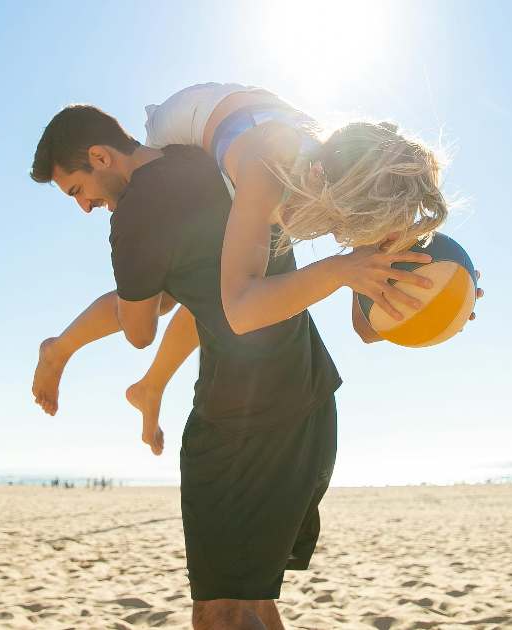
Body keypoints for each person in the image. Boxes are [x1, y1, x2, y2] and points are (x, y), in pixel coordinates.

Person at [32, 104, 351, 628]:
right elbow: (206, 297)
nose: (85, 207)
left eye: (76, 191)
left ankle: (60, 349)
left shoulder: (134, 216)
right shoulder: (204, 157)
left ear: (100, 156)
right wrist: (154, 378)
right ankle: (108, 371)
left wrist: (85, 334)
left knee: (220, 608)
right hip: (311, 393)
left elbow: (139, 329)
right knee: (250, 598)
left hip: (243, 421)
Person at [32, 83, 482, 452]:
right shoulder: (264, 171)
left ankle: (149, 386)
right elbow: (241, 309)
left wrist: (443, 303)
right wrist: (341, 270)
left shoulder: (355, 185)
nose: (354, 242)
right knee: (176, 287)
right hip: (185, 123)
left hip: (263, 128)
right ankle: (63, 348)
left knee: (217, 274)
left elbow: (365, 325)